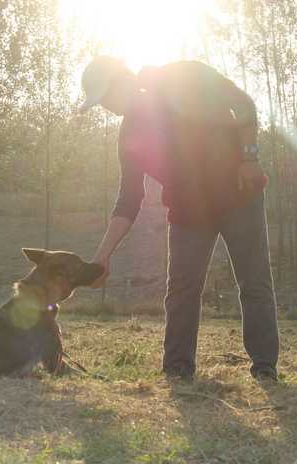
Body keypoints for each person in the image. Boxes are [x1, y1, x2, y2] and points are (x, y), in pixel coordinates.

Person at [80, 56, 279, 382]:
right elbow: (129, 200)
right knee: (181, 290)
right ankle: (177, 370)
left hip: (238, 194)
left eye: (106, 98)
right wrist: (102, 257)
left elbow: (242, 103)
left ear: (122, 81)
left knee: (254, 282)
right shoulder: (128, 136)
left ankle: (265, 368)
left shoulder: (181, 75)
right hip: (189, 211)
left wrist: (249, 157)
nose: (107, 108)